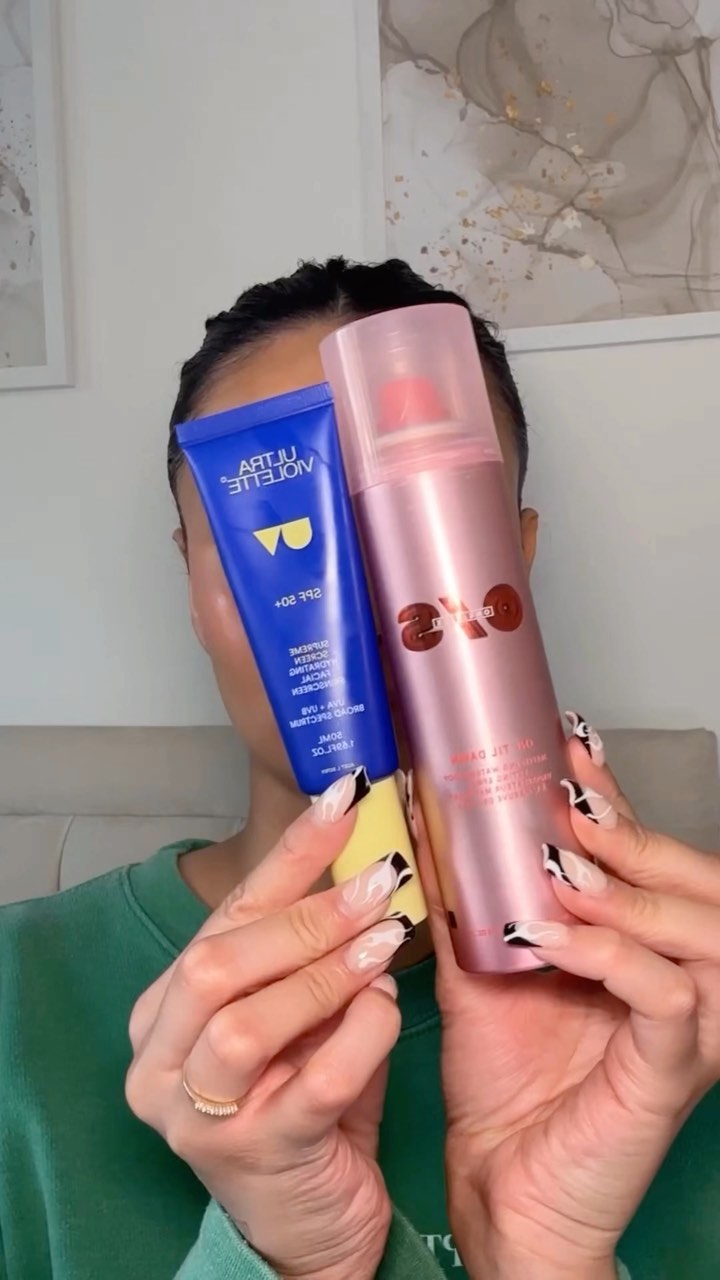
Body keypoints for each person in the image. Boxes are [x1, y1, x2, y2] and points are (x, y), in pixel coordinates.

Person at [1, 258, 718, 1280]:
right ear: (193, 581)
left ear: (515, 560)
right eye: (284, 537)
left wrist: (546, 1254)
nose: (368, 605)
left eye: (427, 524)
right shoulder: (18, 993)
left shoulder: (689, 1010)